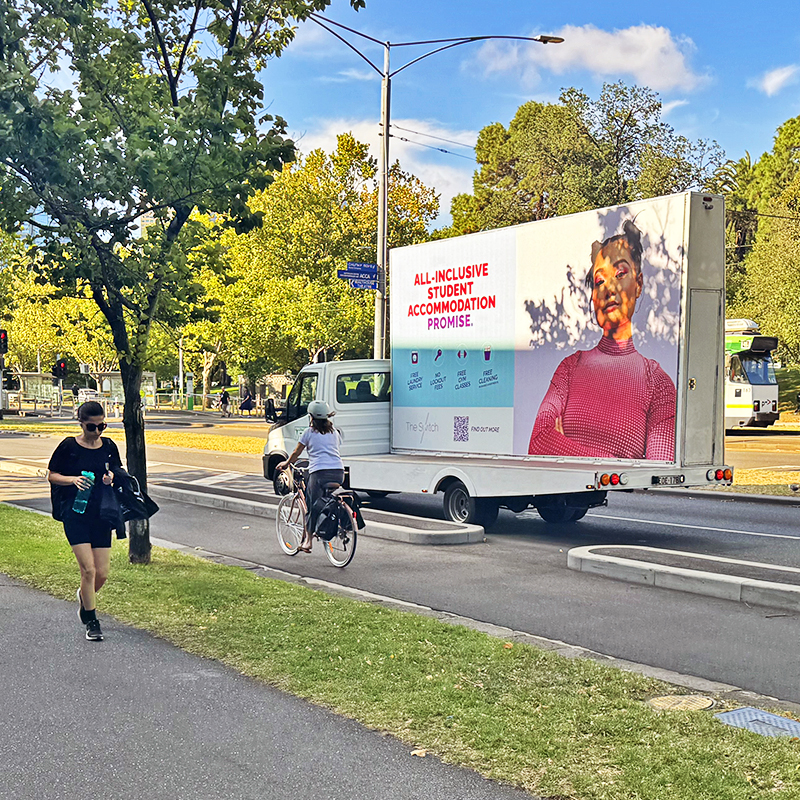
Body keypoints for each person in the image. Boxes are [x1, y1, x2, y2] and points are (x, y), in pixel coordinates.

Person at [528, 220, 677, 461]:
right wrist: (619, 464)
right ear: (594, 297)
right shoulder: (570, 368)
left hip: (623, 500)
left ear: (638, 285)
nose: (609, 289)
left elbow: (656, 469)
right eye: (599, 282)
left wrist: (565, 449)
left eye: (620, 274)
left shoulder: (657, 383)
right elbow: (539, 442)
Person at [47, 401, 123, 641]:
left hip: (101, 514)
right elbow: (51, 475)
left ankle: (84, 596)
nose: (98, 431)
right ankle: (91, 620)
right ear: (81, 423)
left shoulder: (109, 446)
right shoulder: (69, 446)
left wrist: (111, 477)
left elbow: (118, 470)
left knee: (102, 573)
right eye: (92, 427)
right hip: (75, 512)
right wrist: (73, 480)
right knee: (88, 569)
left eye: (103, 425)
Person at [276, 400, 343, 553]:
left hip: (320, 473)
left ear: (311, 417)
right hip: (339, 472)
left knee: (312, 506)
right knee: (326, 502)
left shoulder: (309, 432)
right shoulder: (335, 432)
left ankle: (308, 541)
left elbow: (296, 453)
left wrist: (286, 463)